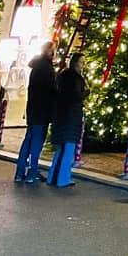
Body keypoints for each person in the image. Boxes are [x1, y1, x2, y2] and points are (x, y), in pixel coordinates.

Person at [14, 41, 57, 183]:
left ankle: (20, 172)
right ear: (50, 51)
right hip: (42, 110)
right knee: (37, 143)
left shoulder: (36, 66)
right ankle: (32, 173)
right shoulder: (47, 68)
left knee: (29, 139)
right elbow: (52, 90)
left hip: (33, 108)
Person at [47, 53, 87, 188]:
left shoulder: (63, 76)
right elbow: (75, 96)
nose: (83, 65)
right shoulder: (74, 79)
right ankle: (61, 178)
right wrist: (86, 93)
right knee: (67, 148)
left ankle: (54, 177)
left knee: (62, 149)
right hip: (69, 117)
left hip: (63, 116)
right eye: (81, 62)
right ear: (76, 63)